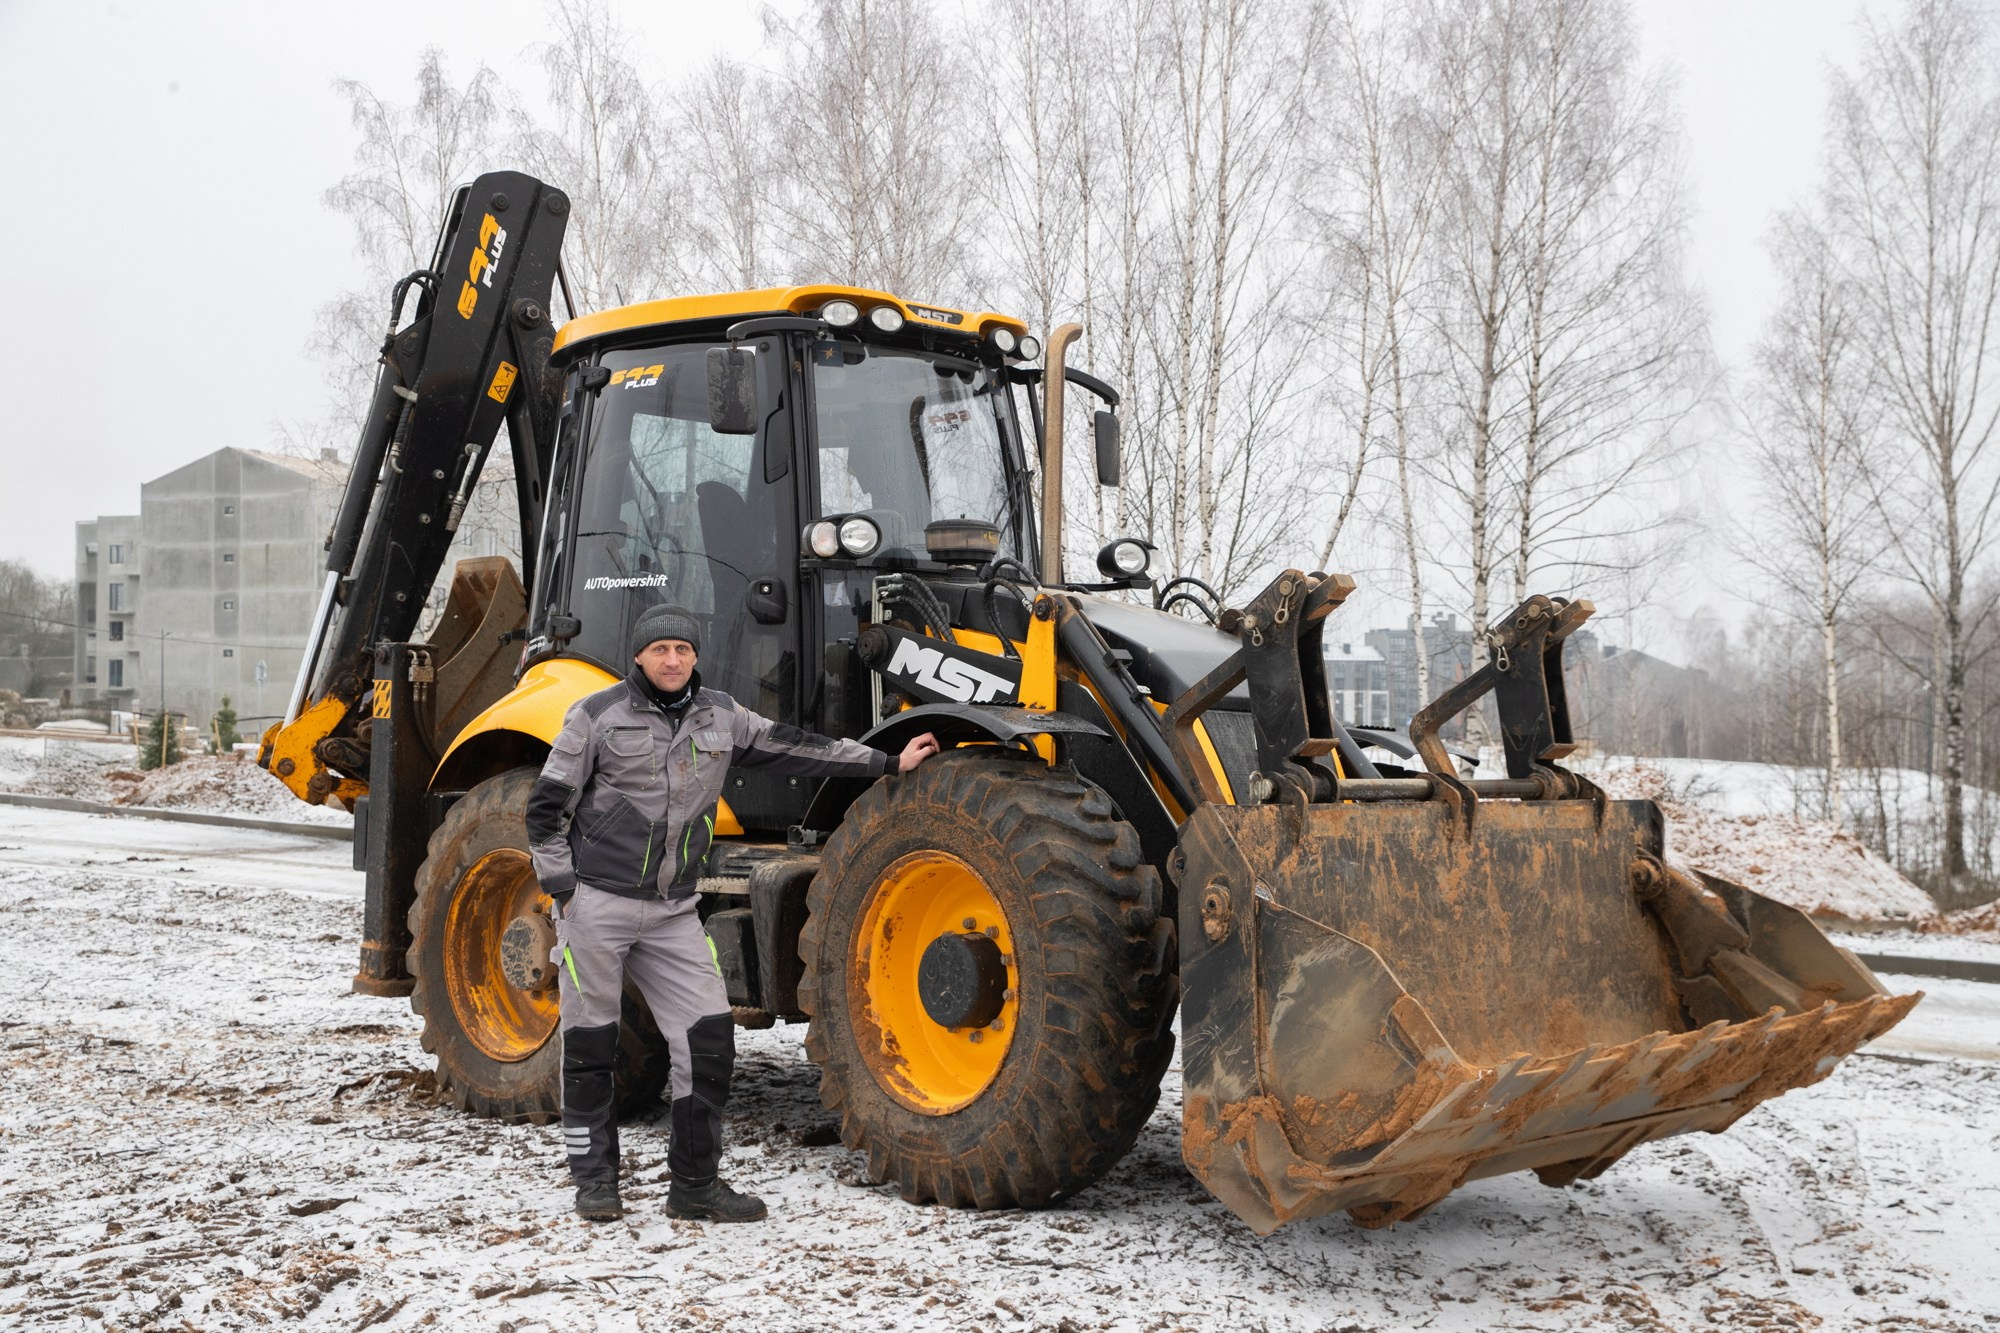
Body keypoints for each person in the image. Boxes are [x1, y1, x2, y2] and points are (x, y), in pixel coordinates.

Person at [526, 604, 940, 1223]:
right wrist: (566, 893)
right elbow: (545, 811)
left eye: (683, 649)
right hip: (598, 905)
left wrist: (886, 762)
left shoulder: (721, 715)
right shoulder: (596, 716)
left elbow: (798, 747)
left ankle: (695, 1187)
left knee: (710, 1040)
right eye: (660, 649)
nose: (672, 660)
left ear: (695, 656)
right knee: (591, 1047)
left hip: (673, 912)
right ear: (639, 656)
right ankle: (596, 1184)